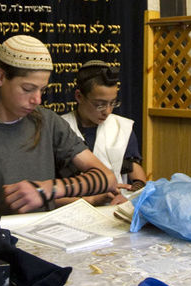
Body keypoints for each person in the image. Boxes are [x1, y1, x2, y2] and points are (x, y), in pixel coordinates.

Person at [0, 35, 118, 214]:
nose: (37, 100)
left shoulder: (48, 123)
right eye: (28, 89)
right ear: (0, 78)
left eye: (42, 89)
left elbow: (107, 177)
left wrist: (45, 190)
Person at [60, 60, 147, 205]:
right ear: (79, 96)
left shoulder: (121, 128)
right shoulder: (60, 128)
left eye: (112, 103)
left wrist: (131, 194)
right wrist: (92, 200)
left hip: (116, 207)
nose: (107, 111)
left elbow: (136, 176)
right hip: (71, 208)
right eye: (100, 105)